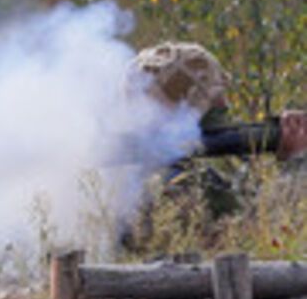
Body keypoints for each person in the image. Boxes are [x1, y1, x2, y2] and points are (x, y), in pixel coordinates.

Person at [123, 42, 307, 250]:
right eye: (215, 97)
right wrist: (298, 162)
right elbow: (266, 234)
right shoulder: (180, 183)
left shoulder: (131, 178)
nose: (224, 105)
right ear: (187, 104)